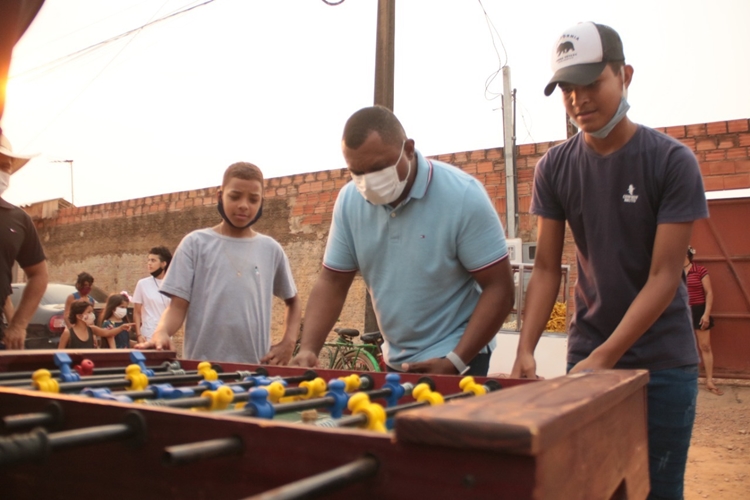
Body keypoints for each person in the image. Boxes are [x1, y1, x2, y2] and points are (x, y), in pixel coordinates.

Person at [510, 22, 708, 500]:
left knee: (658, 490)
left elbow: (665, 277)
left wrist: (605, 359)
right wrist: (525, 348)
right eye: (567, 89)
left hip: (662, 361)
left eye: (591, 82)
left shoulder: (671, 162)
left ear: (625, 76)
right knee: (592, 487)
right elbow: (545, 269)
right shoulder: (554, 168)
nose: (578, 99)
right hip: (589, 352)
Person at [291, 105, 514, 376]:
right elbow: (332, 282)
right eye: (357, 172)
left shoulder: (462, 196)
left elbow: (499, 288)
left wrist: (455, 361)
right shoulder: (350, 202)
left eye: (378, 168)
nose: (368, 183)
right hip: (397, 360)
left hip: (459, 358)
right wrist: (308, 349)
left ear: (408, 149)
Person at [135, 162, 301, 364]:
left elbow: (293, 301)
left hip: (255, 372)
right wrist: (161, 332)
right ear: (219, 196)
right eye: (235, 196)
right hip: (203, 370)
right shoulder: (195, 244)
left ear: (261, 203)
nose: (243, 205)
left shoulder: (271, 249)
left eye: (253, 199)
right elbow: (177, 307)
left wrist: (288, 342)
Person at [0, 133, 48, 350]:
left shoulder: (18, 220)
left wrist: (18, 325)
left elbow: (38, 274)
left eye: (6, 166)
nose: (2, 171)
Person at [685, 246, 722, 396]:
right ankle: (686, 381)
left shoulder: (700, 270)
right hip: (682, 312)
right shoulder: (674, 271)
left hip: (699, 310)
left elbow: (709, 293)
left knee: (705, 346)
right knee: (683, 347)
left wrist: (706, 314)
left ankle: (709, 381)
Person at [132, 246, 172, 344]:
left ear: (163, 264)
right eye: (148, 260)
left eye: (153, 260)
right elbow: (137, 312)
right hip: (147, 334)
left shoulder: (172, 285)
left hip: (166, 334)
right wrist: (138, 335)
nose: (149, 263)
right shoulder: (142, 284)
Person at [58, 299, 131, 349]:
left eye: (92, 312)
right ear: (79, 316)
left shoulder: (92, 329)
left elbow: (107, 332)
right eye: (89, 312)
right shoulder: (68, 333)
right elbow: (60, 353)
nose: (92, 315)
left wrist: (121, 328)